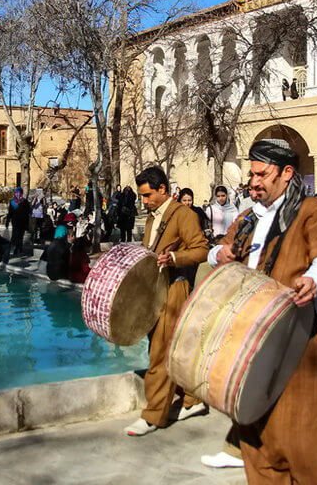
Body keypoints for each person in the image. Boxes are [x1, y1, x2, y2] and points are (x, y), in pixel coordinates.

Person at [206, 139, 317, 483]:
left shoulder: (312, 211)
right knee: (256, 432)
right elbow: (219, 249)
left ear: (287, 173)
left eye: (262, 174)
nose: (254, 182)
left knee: (303, 434)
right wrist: (217, 256)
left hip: (298, 338)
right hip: (251, 337)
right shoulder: (249, 217)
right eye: (252, 174)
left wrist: (313, 278)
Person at [124, 166, 208, 437]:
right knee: (171, 348)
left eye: (147, 195)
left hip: (175, 288)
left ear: (162, 189)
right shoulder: (152, 218)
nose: (144, 201)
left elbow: (201, 249)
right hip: (156, 289)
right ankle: (193, 400)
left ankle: (153, 415)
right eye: (141, 196)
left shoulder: (183, 215)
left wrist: (174, 259)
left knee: (160, 351)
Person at [6, 187, 32, 256]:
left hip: (21, 222)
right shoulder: (13, 202)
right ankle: (15, 249)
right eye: (17, 193)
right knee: (16, 235)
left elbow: (28, 212)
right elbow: (10, 212)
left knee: (19, 236)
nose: (18, 194)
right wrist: (7, 221)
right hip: (16, 222)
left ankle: (18, 249)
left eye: (19, 193)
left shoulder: (24, 201)